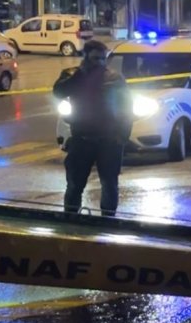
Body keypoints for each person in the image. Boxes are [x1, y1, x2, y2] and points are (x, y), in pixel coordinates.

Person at [53, 40, 132, 216]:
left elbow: (126, 107)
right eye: (96, 59)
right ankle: (72, 221)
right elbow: (59, 92)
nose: (100, 63)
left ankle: (108, 222)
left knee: (109, 184)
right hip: (82, 140)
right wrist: (80, 75)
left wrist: (123, 136)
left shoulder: (114, 78)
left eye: (103, 59)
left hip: (109, 141)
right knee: (74, 185)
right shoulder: (72, 75)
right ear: (86, 57)